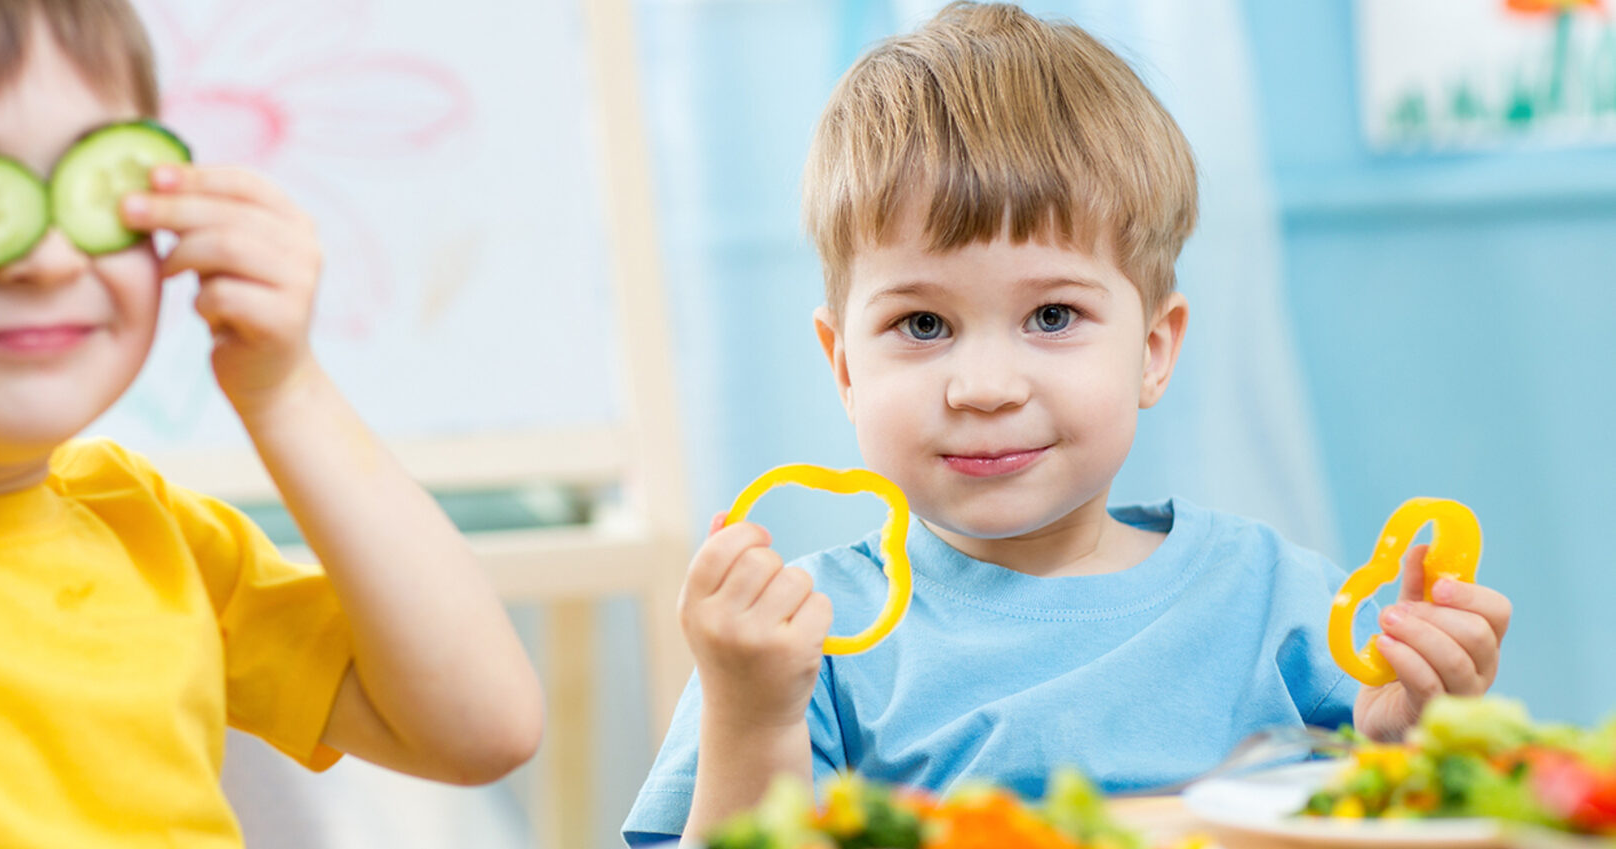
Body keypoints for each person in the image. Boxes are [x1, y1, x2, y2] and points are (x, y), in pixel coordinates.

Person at [623, 3, 1513, 844]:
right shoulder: (795, 647)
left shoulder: (1285, 606)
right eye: (922, 324)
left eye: (1051, 316)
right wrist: (753, 717)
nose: (984, 387)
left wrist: (1412, 741)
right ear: (845, 366)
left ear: (1153, 350)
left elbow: (1409, 816)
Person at [0, 1, 542, 843]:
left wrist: (288, 393)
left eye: (95, 186)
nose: (48, 260)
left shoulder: (147, 529)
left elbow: (481, 728)